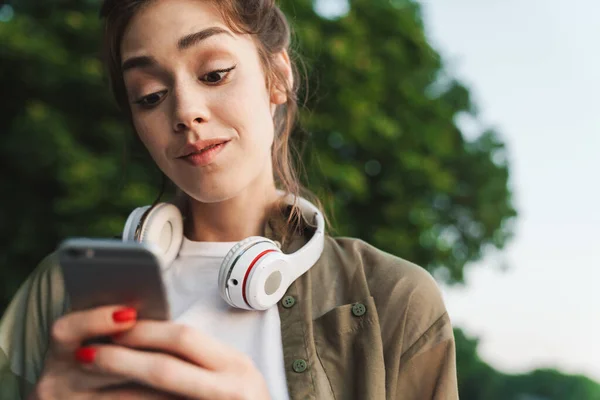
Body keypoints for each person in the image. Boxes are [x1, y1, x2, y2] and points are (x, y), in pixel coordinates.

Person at [0, 0, 459, 399]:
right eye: (150, 95)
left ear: (277, 77)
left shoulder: (393, 300)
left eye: (215, 74)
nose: (184, 112)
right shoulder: (59, 292)